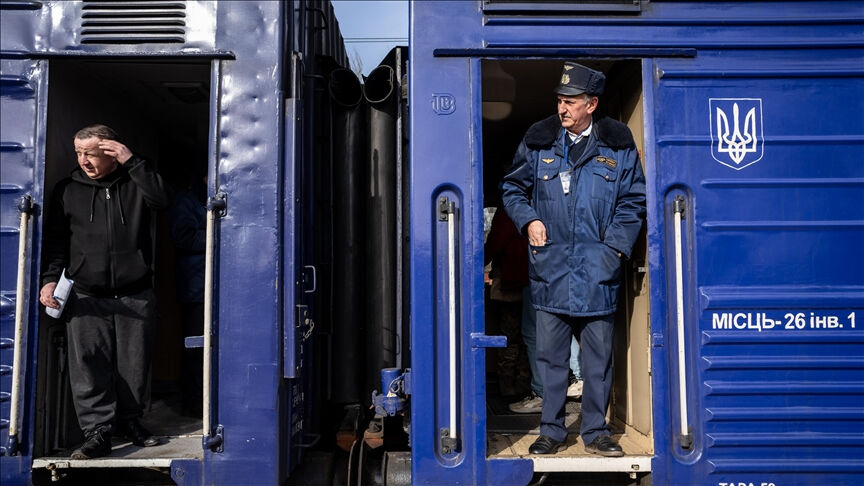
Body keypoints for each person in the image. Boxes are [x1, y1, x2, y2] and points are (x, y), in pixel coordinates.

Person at [501, 62, 646, 456]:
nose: (562, 109)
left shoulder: (617, 145)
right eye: (560, 101)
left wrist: (614, 248)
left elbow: (634, 201)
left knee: (597, 361)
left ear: (591, 104)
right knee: (550, 360)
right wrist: (528, 218)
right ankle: (551, 430)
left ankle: (596, 432)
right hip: (551, 270)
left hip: (598, 271)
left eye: (570, 102)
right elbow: (512, 187)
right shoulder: (539, 142)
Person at [40, 124, 171, 459]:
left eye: (92, 154)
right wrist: (49, 279)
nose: (84, 160)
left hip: (135, 292)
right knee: (88, 366)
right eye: (79, 153)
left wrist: (133, 162)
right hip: (86, 293)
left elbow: (162, 199)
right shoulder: (67, 190)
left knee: (134, 365)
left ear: (111, 152)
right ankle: (97, 433)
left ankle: (131, 422)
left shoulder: (135, 184)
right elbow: (57, 241)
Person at [169, 171, 207, 416]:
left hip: (210, 284)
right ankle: (193, 403)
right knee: (196, 347)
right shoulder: (186, 201)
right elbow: (183, 238)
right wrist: (223, 232)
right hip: (197, 286)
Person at [484, 206, 531, 398]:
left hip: (512, 279)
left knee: (509, 336)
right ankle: (524, 383)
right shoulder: (535, 204)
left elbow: (496, 242)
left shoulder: (508, 210)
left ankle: (507, 387)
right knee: (528, 337)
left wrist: (477, 260)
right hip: (532, 279)